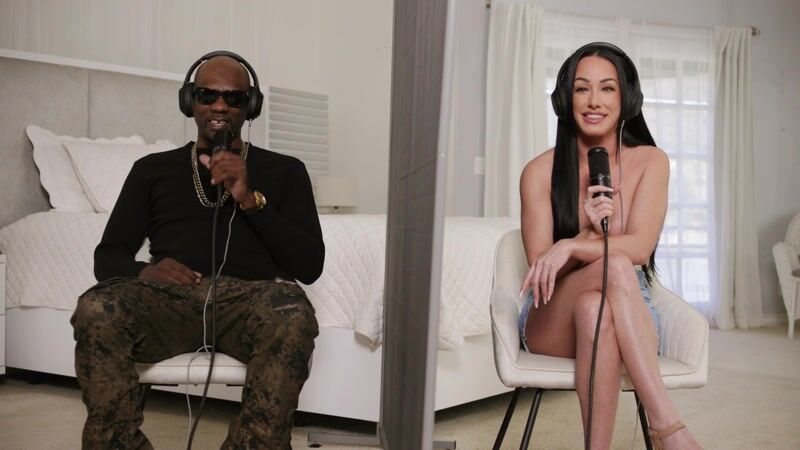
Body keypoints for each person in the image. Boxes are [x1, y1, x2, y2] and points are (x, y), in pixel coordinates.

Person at [70, 51, 324, 449]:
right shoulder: (151, 170)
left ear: (250, 106)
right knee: (97, 306)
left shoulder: (286, 171)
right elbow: (108, 256)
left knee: (292, 312)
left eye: (233, 98)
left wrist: (249, 198)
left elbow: (310, 266)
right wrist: (144, 272)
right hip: (168, 301)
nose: (220, 106)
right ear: (190, 101)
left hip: (248, 303)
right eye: (207, 95)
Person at [518, 43, 701, 449]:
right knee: (614, 266)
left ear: (627, 98)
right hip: (551, 316)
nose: (594, 101)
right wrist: (582, 236)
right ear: (566, 99)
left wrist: (570, 248)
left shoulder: (651, 161)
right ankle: (668, 427)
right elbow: (541, 271)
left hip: (628, 312)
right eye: (582, 88)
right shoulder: (539, 172)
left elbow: (640, 247)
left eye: (607, 88)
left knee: (594, 309)